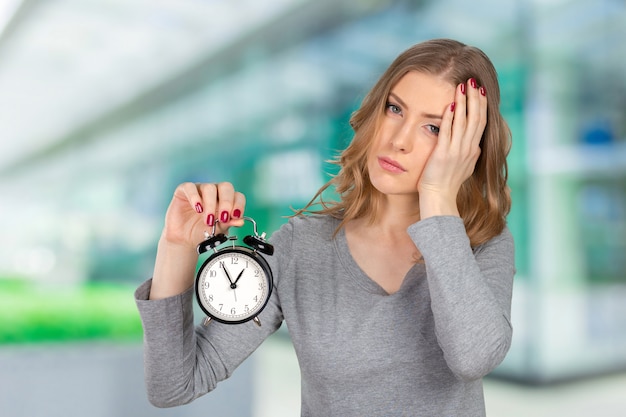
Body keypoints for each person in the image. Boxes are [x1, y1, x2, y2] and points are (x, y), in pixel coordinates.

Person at [135, 38, 515, 416]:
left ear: (467, 148)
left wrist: (437, 198)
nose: (398, 140)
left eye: (433, 128)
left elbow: (473, 358)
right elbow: (175, 385)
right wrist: (175, 246)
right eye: (395, 109)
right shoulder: (301, 246)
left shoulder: (483, 245)